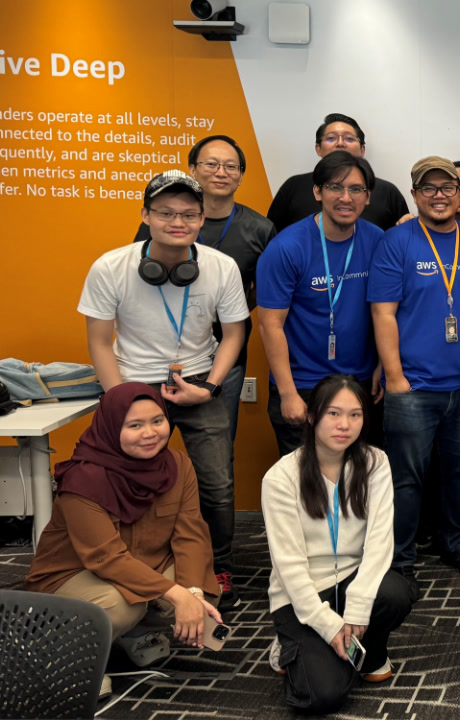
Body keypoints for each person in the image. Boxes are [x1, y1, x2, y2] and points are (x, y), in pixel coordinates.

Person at [80, 170, 248, 607]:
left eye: (189, 215)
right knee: (121, 480)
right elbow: (99, 341)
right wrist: (124, 402)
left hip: (197, 382)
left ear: (201, 219)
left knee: (217, 484)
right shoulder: (110, 266)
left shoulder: (221, 267)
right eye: (166, 213)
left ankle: (219, 566)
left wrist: (209, 388)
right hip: (131, 382)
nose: (179, 222)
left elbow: (233, 334)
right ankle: (128, 564)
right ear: (145, 215)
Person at [25, 383, 223, 700]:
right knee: (120, 606)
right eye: (134, 425)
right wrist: (174, 593)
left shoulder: (177, 464)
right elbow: (106, 558)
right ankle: (71, 660)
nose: (150, 433)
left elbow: (191, 534)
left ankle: (134, 635)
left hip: (140, 567)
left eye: (157, 421)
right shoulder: (84, 478)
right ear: (113, 426)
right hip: (73, 575)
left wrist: (192, 592)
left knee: (204, 593)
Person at [132, 135, 275, 504]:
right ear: (192, 169)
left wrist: (230, 310)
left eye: (230, 166)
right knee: (144, 449)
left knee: (216, 458)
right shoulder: (164, 221)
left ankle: (212, 548)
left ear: (241, 175)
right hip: (156, 358)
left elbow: (269, 288)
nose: (221, 172)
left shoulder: (260, 228)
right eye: (211, 164)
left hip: (224, 359)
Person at [261, 375, 414, 713]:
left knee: (396, 592)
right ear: (313, 416)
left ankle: (367, 650)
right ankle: (294, 646)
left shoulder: (375, 463)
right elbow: (288, 566)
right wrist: (328, 625)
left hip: (350, 582)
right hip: (302, 593)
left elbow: (379, 543)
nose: (344, 425)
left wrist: (358, 605)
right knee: (322, 696)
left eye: (355, 415)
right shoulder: (281, 478)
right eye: (333, 413)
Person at [370, 157, 460, 579]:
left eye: (447, 188)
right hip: (413, 387)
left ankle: (455, 543)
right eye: (428, 189)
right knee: (406, 478)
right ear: (416, 194)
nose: (439, 196)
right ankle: (401, 558)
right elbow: (383, 314)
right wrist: (395, 377)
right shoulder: (396, 241)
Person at [258, 152, 385, 457]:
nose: (346, 198)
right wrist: (288, 394)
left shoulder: (378, 240)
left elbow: (386, 311)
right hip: (303, 385)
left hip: (360, 383)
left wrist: (382, 365)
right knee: (306, 485)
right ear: (317, 192)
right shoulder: (286, 248)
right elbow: (270, 325)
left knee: (358, 480)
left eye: (356, 189)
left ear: (367, 197)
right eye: (335, 187)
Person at [266, 113, 409, 231]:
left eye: (349, 138)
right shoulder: (293, 187)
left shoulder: (387, 191)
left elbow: (402, 241)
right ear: (318, 149)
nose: (340, 143)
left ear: (362, 150)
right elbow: (272, 235)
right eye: (331, 138)